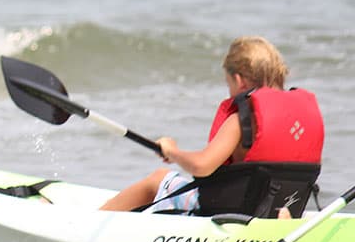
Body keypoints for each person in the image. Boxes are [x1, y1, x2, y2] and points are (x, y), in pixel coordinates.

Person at [99, 36, 323, 214]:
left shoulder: (242, 120)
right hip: (281, 206)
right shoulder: (301, 117)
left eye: (228, 83)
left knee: (159, 178)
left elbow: (202, 166)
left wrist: (172, 151)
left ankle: (94, 220)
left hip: (234, 210)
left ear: (239, 80)